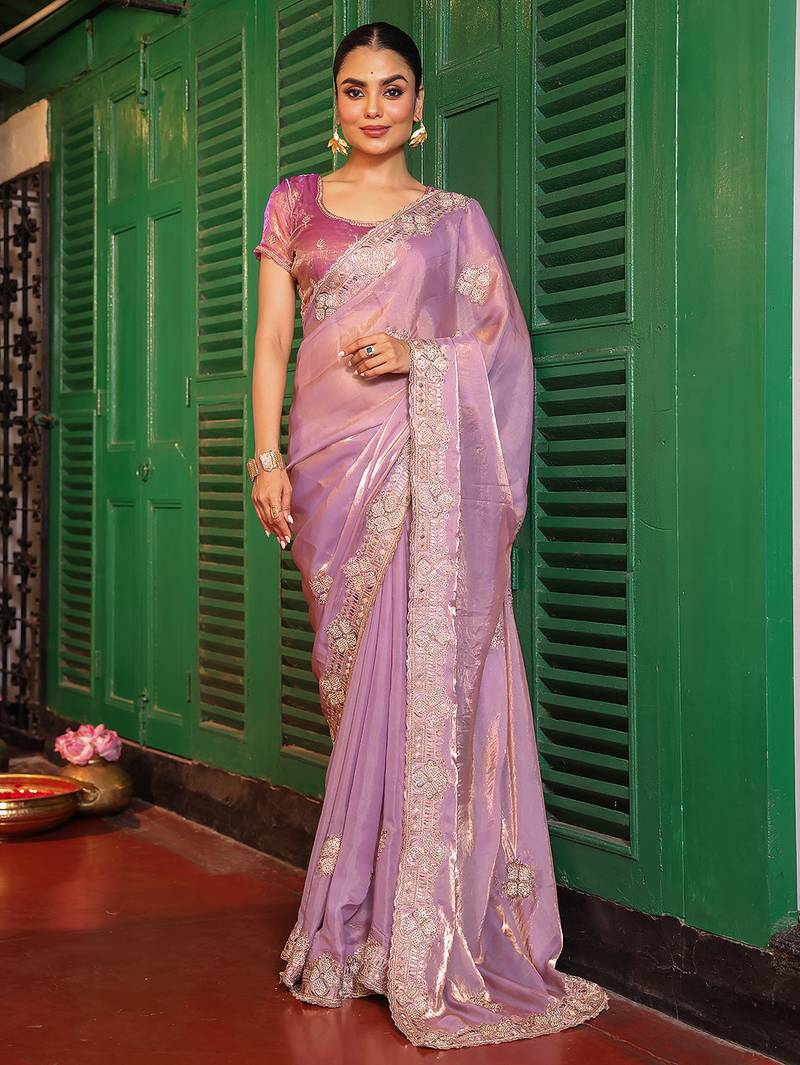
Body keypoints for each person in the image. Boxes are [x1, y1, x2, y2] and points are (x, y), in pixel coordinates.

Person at [249, 20, 609, 1051]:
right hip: (328, 468)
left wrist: (420, 355)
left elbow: (500, 347)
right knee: (354, 689)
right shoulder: (293, 203)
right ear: (336, 102)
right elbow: (270, 340)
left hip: (419, 463)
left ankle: (417, 931)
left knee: (427, 688)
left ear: (417, 104)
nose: (373, 106)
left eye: (392, 88)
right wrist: (264, 458)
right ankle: (365, 919)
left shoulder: (454, 221)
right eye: (355, 88)